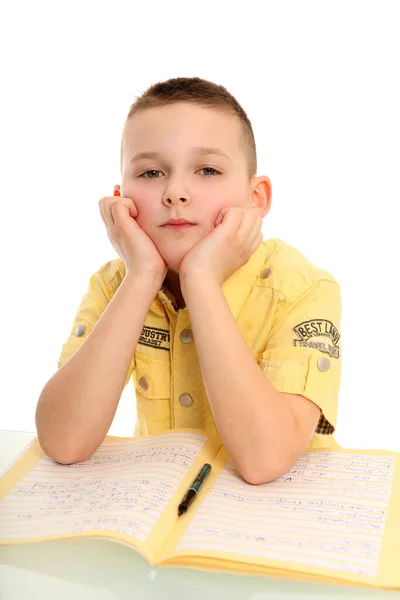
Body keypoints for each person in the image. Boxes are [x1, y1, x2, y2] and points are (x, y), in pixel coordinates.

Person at [35, 76, 342, 485]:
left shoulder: (304, 289)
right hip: (161, 510)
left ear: (257, 198)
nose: (176, 192)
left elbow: (265, 460)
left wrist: (201, 280)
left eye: (208, 170)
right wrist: (143, 275)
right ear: (120, 198)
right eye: (150, 173)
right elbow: (64, 441)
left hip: (280, 523)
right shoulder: (115, 285)